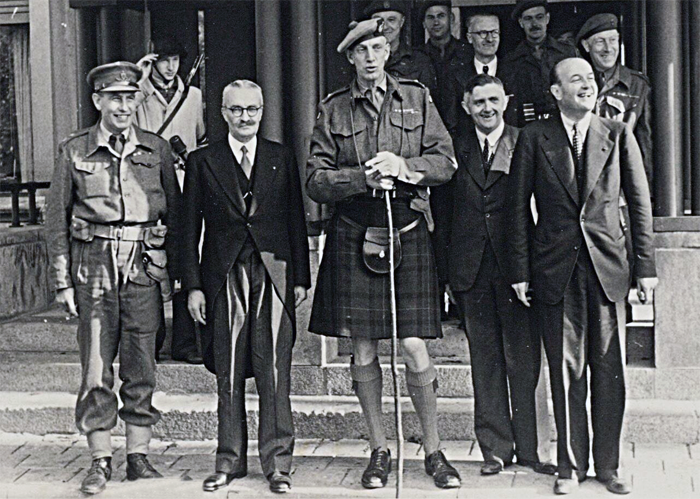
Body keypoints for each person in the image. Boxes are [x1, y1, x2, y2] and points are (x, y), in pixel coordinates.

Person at [306, 18, 461, 490]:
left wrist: (405, 166)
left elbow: (446, 162)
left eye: (378, 47)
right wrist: (361, 179)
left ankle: (434, 451)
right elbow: (314, 178)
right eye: (362, 51)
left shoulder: (416, 98)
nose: (372, 57)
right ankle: (378, 450)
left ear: (387, 51)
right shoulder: (332, 109)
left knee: (414, 345)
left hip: (407, 228)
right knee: (364, 346)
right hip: (355, 228)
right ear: (350, 58)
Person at [508, 57, 658, 495]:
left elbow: (641, 203)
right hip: (555, 270)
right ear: (555, 92)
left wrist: (645, 268)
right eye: (576, 80)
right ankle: (569, 467)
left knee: (609, 369)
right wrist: (520, 271)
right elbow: (517, 209)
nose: (587, 85)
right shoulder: (535, 138)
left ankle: (609, 466)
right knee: (565, 370)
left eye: (590, 79)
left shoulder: (617, 132)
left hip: (608, 269)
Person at [45, 61, 181, 495]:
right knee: (96, 367)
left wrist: (173, 274)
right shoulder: (74, 151)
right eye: (114, 98)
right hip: (94, 267)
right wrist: (63, 282)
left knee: (142, 362)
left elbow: (175, 215)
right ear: (97, 101)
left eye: (129, 97)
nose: (123, 106)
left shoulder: (156, 150)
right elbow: (55, 221)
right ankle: (100, 459)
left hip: (142, 264)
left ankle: (138, 456)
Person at [181, 80, 310, 494]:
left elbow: (296, 219)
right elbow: (187, 230)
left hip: (273, 272)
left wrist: (301, 278)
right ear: (222, 112)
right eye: (236, 110)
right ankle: (229, 461)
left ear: (262, 110)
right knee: (229, 369)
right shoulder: (204, 161)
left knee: (274, 370)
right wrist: (194, 287)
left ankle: (278, 465)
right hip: (224, 275)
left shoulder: (280, 156)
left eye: (252, 109)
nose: (245, 117)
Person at [442, 73, 556, 477]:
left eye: (493, 100)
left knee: (525, 361)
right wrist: (446, 277)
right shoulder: (455, 149)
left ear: (506, 101)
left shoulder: (526, 142)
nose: (487, 109)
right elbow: (444, 216)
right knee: (484, 361)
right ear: (466, 106)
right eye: (479, 103)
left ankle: (532, 450)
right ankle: (494, 449)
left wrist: (533, 268)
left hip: (517, 270)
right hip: (470, 270)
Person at [136, 34, 206, 364]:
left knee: (182, 259)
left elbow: (200, 137)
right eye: (163, 60)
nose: (169, 67)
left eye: (175, 60)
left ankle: (185, 342)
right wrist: (138, 83)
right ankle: (151, 340)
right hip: (147, 185)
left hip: (184, 186)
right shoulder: (138, 98)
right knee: (148, 260)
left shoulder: (192, 96)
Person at [577, 13, 653, 191]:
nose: (608, 48)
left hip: (620, 183)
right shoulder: (576, 82)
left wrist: (645, 191)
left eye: (613, 40)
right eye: (600, 41)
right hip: (582, 182)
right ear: (586, 46)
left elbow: (646, 142)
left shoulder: (637, 85)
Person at [501, 0, 577, 128]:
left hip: (564, 125)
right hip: (527, 129)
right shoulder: (511, 61)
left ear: (547, 19)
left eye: (539, 17)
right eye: (528, 19)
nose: (534, 24)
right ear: (521, 22)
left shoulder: (567, 53)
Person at [365, 0, 437, 97]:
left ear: (401, 22)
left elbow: (427, 103)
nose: (385, 26)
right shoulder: (362, 59)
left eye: (391, 20)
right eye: (379, 21)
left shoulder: (419, 61)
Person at [420, 0, 472, 127]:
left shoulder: (468, 53)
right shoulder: (417, 57)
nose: (436, 22)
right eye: (430, 17)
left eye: (441, 16)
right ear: (423, 23)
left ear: (451, 18)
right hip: (429, 128)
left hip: (465, 129)